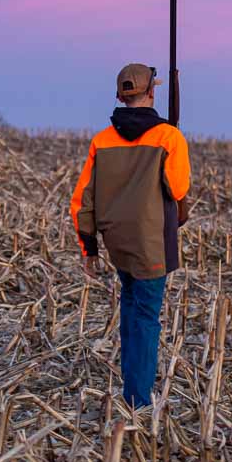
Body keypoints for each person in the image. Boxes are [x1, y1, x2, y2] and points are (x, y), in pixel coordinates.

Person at [70, 63, 191, 409]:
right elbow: (179, 187)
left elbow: (82, 200)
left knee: (130, 307)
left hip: (117, 243)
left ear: (120, 95)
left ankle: (131, 386)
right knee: (145, 318)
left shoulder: (102, 140)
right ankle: (138, 401)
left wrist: (88, 247)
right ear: (151, 91)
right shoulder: (168, 137)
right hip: (151, 244)